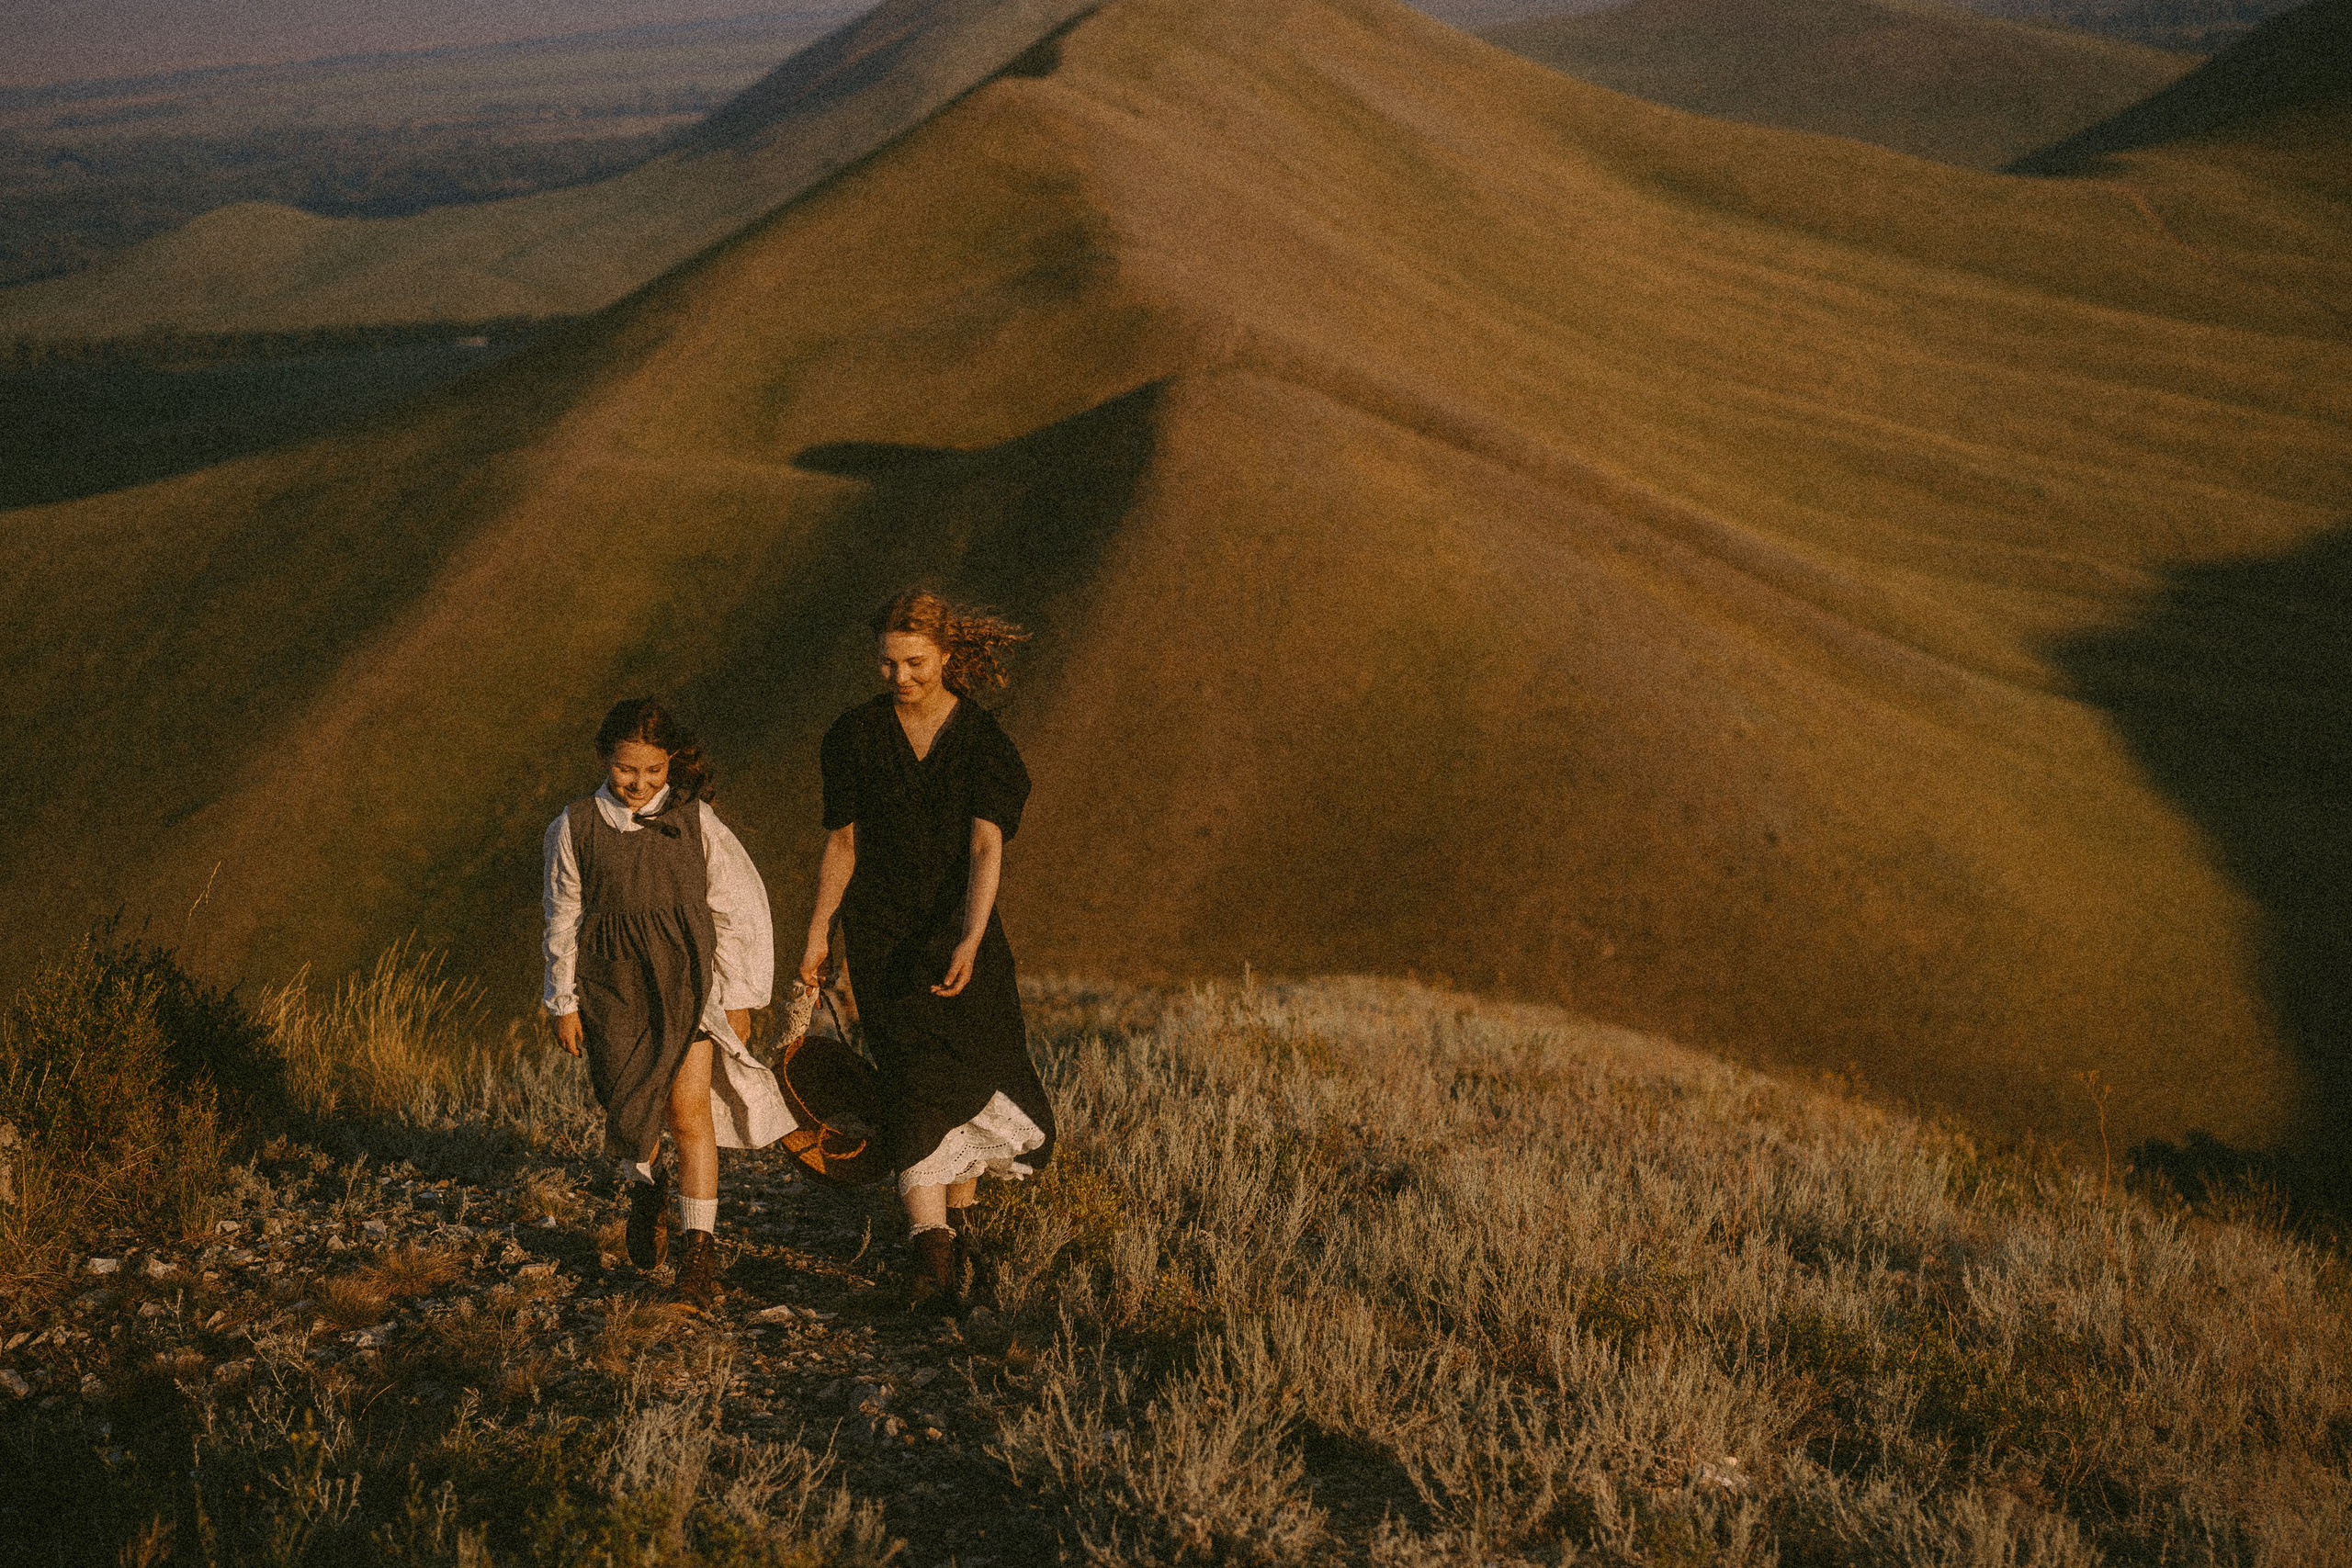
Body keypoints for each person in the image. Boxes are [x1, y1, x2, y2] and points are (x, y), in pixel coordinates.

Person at [801, 591, 1057, 1311]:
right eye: (888, 661)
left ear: (946, 654)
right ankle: (929, 1255)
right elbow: (842, 844)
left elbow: (985, 846)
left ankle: (960, 1232)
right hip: (883, 938)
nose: (900, 675)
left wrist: (972, 936)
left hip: (961, 931)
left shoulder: (981, 741)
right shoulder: (854, 737)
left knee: (973, 1075)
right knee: (914, 1081)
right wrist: (818, 933)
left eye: (915, 661)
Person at [543, 698, 792, 1308]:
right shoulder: (574, 826)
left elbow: (739, 908)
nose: (639, 783)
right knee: (632, 1109)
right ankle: (646, 1188)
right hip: (613, 987)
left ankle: (698, 1253)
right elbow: (562, 918)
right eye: (626, 769)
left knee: (689, 1114)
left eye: (653, 771)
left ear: (671, 764)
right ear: (604, 758)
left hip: (687, 983)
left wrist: (740, 996)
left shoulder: (695, 819)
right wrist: (562, 1001)